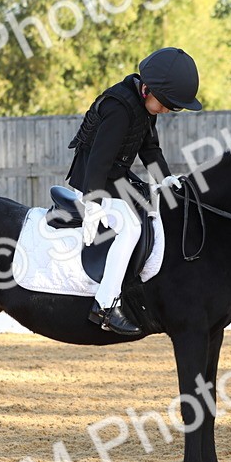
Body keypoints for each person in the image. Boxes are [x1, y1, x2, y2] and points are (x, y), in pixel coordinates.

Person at [66, 47, 202, 335]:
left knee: (154, 212)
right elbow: (99, 160)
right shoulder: (119, 107)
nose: (167, 110)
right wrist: (92, 203)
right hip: (92, 182)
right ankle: (105, 305)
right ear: (147, 89)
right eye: (166, 104)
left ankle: (138, 288)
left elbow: (150, 149)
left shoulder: (144, 106)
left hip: (116, 179)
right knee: (129, 227)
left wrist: (164, 179)